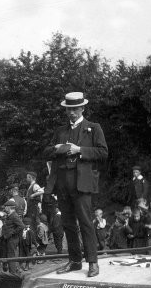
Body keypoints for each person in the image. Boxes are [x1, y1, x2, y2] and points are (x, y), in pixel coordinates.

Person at [44, 92, 108, 277]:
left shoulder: (93, 128)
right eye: (68, 109)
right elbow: (46, 151)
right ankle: (74, 261)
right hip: (62, 183)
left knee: (86, 223)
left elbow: (103, 152)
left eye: (75, 109)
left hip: (81, 183)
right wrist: (56, 149)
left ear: (82, 108)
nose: (71, 112)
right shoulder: (60, 131)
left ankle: (93, 263)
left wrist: (79, 150)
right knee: (68, 224)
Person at [1, 198, 25, 274]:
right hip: (8, 239)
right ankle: (15, 270)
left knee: (11, 255)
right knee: (8, 254)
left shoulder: (14, 216)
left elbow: (21, 226)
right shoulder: (9, 215)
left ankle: (13, 273)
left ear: (9, 207)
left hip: (12, 239)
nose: (4, 208)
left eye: (5, 207)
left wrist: (12, 233)